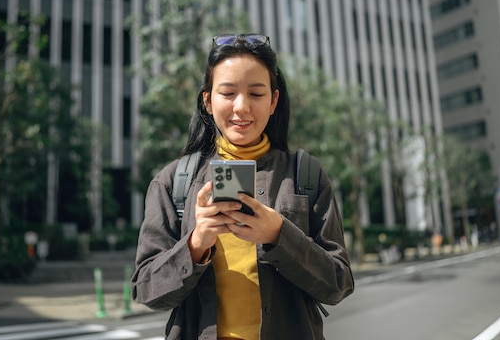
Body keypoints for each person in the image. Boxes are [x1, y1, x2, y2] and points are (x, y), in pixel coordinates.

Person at [131, 33, 355, 339]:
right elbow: (146, 290)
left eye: (256, 94)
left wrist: (279, 234)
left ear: (274, 101)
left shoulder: (306, 175)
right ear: (208, 101)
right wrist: (196, 245)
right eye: (228, 93)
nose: (241, 107)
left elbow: (338, 284)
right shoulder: (173, 182)